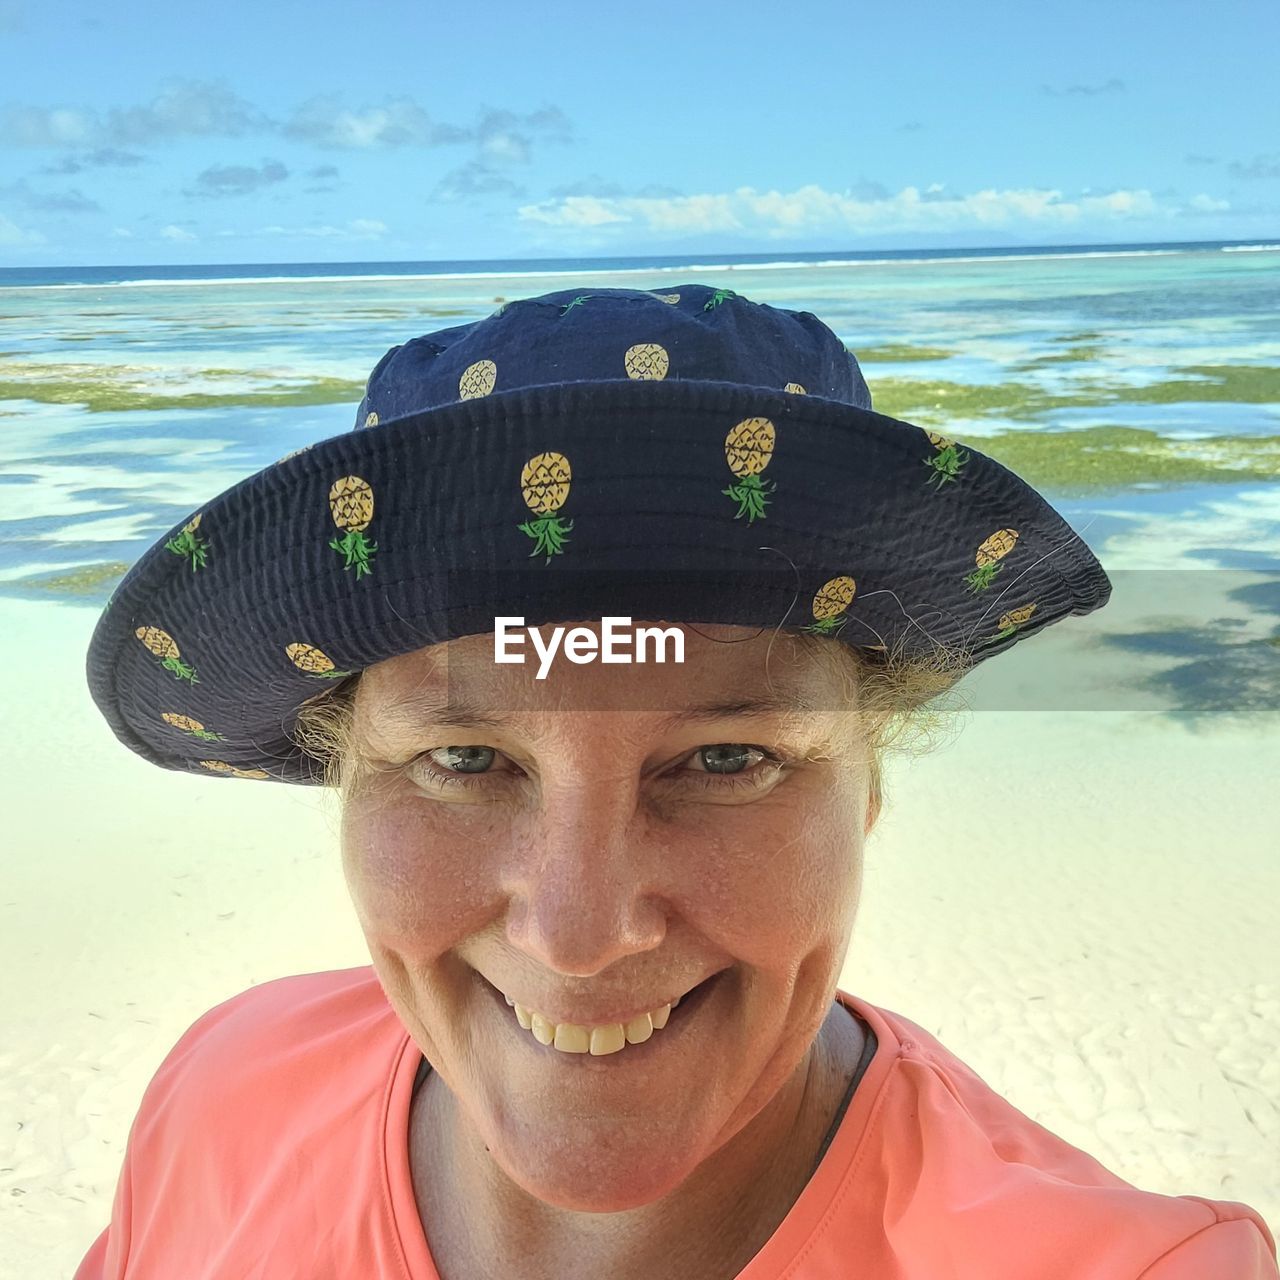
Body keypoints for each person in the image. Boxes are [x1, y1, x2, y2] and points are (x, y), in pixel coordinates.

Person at [76, 285, 1277, 1278]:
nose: (580, 934)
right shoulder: (221, 1090)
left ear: (865, 787)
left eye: (724, 758)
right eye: (464, 758)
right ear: (346, 779)